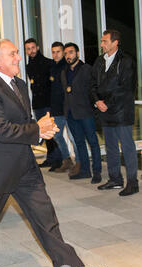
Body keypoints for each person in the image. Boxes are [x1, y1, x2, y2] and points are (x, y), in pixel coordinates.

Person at [0, 39, 104, 267]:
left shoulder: (20, 85)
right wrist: (36, 130)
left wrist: (42, 129)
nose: (18, 58)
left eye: (18, 54)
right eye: (12, 54)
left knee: (46, 219)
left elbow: (25, 121)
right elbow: (2, 130)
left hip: (24, 167)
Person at [91, 30, 139, 196]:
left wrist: (107, 103)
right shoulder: (99, 61)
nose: (102, 44)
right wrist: (97, 101)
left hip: (121, 111)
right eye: (102, 41)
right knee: (111, 147)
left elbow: (126, 88)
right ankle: (115, 179)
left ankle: (133, 183)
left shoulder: (126, 61)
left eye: (105, 41)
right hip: (105, 111)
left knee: (127, 148)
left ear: (115, 42)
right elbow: (92, 84)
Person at [60, 43, 102, 184]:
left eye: (71, 52)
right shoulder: (64, 72)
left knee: (93, 143)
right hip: (71, 114)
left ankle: (97, 172)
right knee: (79, 143)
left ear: (77, 53)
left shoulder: (87, 69)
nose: (68, 56)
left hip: (86, 113)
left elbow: (93, 90)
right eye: (66, 53)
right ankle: (85, 170)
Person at [25, 38, 63, 171]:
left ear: (38, 47)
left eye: (33, 48)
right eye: (28, 49)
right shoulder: (28, 66)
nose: (31, 51)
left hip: (48, 104)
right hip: (37, 104)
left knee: (52, 132)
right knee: (44, 133)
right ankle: (51, 158)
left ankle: (58, 160)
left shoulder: (48, 63)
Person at [49, 42, 79, 175]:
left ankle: (79, 162)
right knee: (57, 135)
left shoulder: (67, 67)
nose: (56, 54)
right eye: (53, 52)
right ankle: (66, 160)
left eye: (58, 52)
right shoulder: (51, 67)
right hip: (55, 109)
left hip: (67, 109)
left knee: (73, 137)